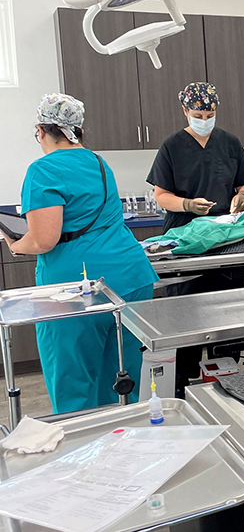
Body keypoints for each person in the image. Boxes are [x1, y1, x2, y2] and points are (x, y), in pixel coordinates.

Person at [0, 93, 159, 414]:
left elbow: (44, 240)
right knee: (122, 380)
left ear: (41, 131)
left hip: (77, 291)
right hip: (130, 280)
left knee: (73, 382)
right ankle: (125, 447)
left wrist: (15, 243)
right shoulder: (99, 163)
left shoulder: (43, 170)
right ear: (78, 131)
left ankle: (86, 451)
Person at [147, 82, 244, 397]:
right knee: (187, 314)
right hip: (185, 237)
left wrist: (243, 198)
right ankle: (182, 388)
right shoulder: (172, 147)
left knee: (229, 309)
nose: (204, 119)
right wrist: (187, 205)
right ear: (185, 111)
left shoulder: (229, 143)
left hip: (224, 235)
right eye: (198, 113)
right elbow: (161, 195)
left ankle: (231, 385)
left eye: (210, 113)